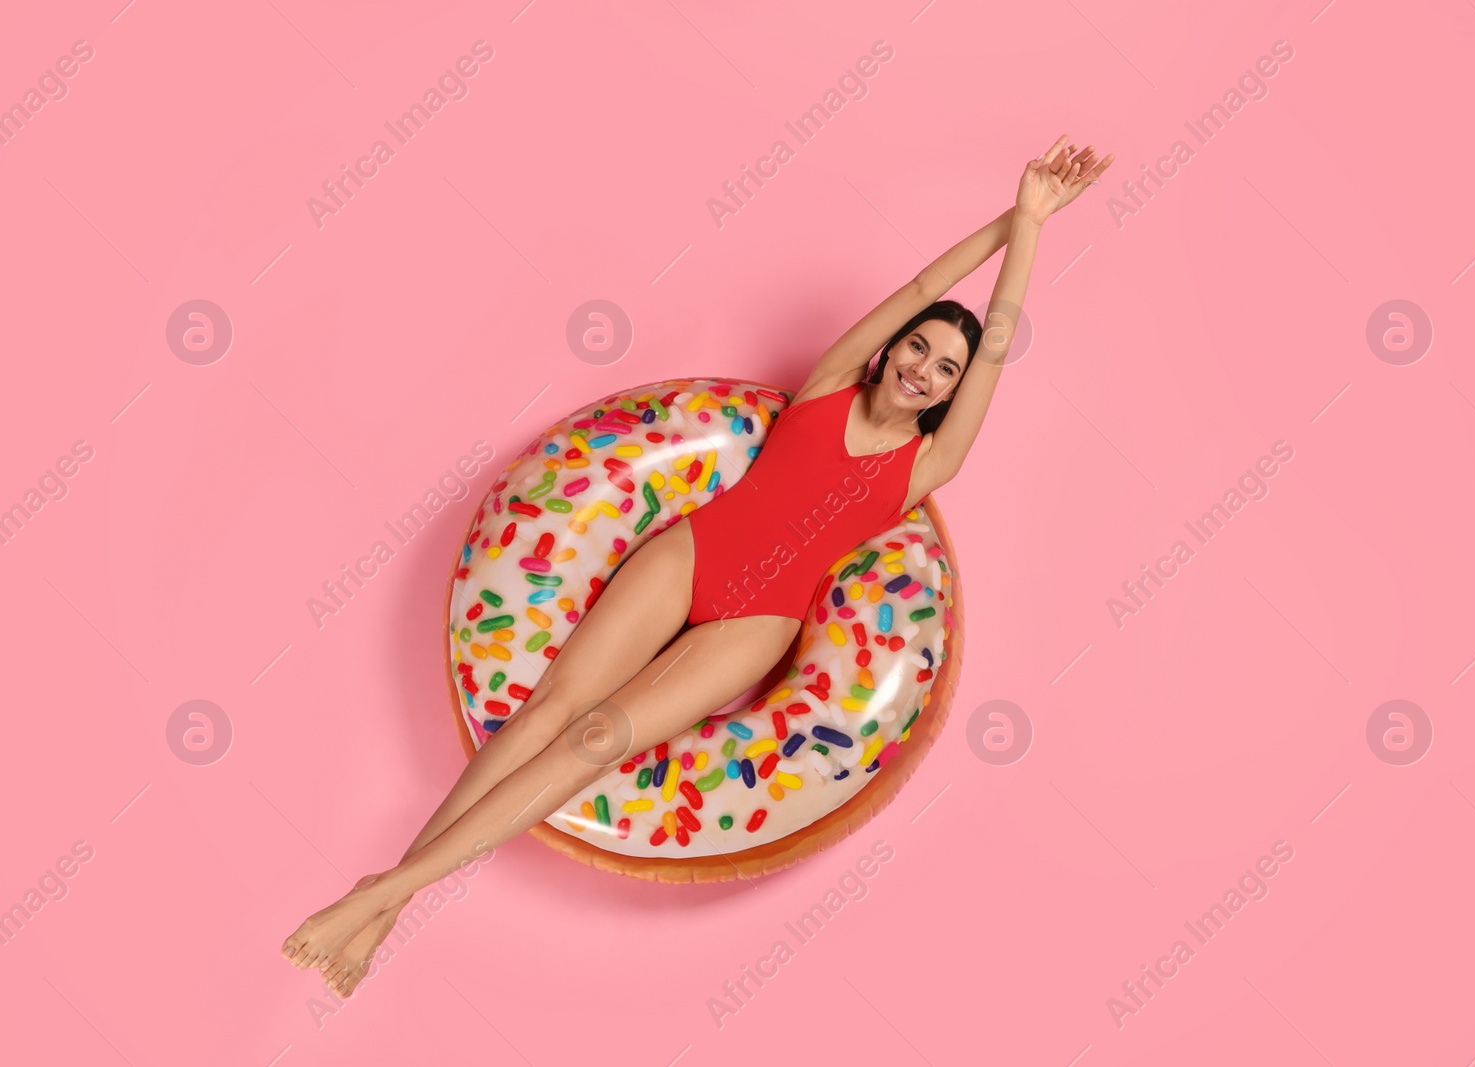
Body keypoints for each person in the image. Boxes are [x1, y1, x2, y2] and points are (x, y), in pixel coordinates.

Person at [282, 133, 1114, 997]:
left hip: (759, 622)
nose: (924, 369)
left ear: (950, 393)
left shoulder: (925, 468)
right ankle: (378, 909)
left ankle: (381, 897)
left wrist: (1034, 230)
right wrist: (1007, 215)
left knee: (591, 739)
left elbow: (993, 345)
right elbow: (917, 290)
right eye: (918, 348)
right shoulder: (829, 382)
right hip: (692, 553)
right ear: (890, 347)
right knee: (543, 714)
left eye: (944, 370)